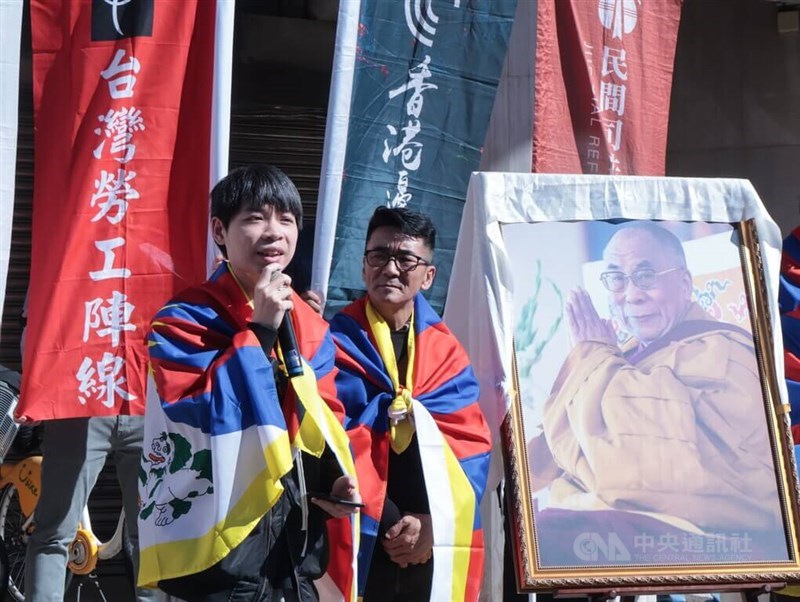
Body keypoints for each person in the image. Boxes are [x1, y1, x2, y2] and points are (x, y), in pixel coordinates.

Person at [137, 165, 359, 601]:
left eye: (287, 219)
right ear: (220, 230)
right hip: (218, 556)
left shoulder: (312, 325)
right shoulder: (183, 320)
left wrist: (332, 479)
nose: (274, 232)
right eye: (255, 218)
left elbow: (322, 418)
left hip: (292, 556)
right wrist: (259, 332)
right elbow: (197, 416)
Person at [528, 221, 785, 565]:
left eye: (645, 275)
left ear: (684, 283)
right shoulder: (626, 354)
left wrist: (595, 356)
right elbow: (553, 456)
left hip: (713, 523)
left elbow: (650, 466)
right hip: (637, 511)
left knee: (549, 540)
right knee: (518, 533)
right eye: (617, 278)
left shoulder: (725, 350)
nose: (631, 294)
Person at [329, 206, 492, 601]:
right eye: (379, 256)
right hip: (351, 530)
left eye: (406, 259)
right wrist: (385, 522)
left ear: (428, 275)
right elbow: (323, 439)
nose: (390, 268)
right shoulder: (330, 344)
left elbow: (470, 450)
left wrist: (433, 523)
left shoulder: (447, 354)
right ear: (364, 266)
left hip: (427, 541)